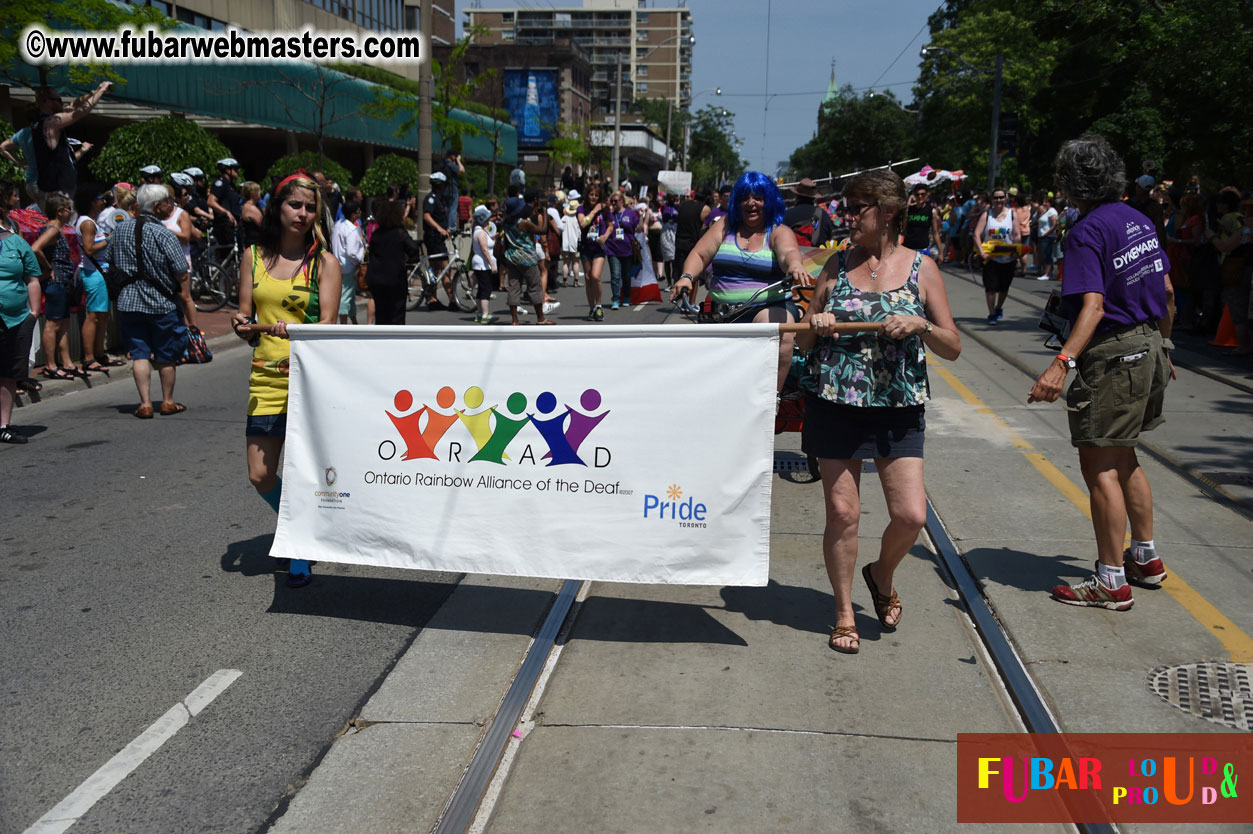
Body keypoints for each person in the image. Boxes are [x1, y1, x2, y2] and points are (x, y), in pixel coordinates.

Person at [795, 168, 962, 653]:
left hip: (897, 406)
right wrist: (817, 321)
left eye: (858, 207)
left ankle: (881, 573)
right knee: (843, 512)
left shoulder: (922, 269)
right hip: (836, 403)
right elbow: (803, 338)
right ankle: (844, 612)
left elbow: (952, 346)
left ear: (888, 212)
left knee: (910, 515)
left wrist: (921, 326)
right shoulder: (834, 265)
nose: (847, 216)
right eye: (847, 207)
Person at [1029, 135, 1174, 611]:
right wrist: (1165, 348)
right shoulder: (1140, 221)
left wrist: (1061, 363)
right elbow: (1168, 292)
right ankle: (1146, 558)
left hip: (1113, 354)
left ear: (1069, 184)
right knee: (1126, 455)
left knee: (1099, 467)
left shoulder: (1087, 231)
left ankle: (1111, 580)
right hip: (1150, 343)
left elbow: (1093, 307)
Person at [231, 172, 341, 588]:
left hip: (309, 381)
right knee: (260, 474)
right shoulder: (253, 257)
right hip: (266, 378)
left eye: (310, 207)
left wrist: (296, 332)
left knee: (301, 471)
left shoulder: (324, 262)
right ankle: (300, 529)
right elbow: (245, 315)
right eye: (295, 205)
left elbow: (328, 326)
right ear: (277, 207)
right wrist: (243, 325)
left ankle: (299, 546)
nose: (303, 213)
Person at [669, 171, 812, 392]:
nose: (751, 203)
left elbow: (789, 252)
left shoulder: (778, 231)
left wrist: (794, 265)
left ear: (769, 201)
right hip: (721, 312)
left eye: (758, 198)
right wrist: (687, 277)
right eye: (745, 197)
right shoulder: (725, 225)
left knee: (777, 329)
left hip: (765, 307)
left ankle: (770, 398)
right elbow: (699, 254)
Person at [108, 184, 199, 418]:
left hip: (129, 301)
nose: (171, 205)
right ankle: (167, 401)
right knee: (166, 355)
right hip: (161, 303)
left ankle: (145, 403)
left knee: (139, 353)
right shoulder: (163, 233)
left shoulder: (119, 230)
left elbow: (110, 261)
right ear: (157, 206)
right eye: (168, 201)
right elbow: (181, 270)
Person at [0, 180, 43, 443]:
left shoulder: (16, 241)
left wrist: (33, 314)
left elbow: (32, 278)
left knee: (8, 373)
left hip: (16, 318)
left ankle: (3, 425)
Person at [26, 83, 112, 202]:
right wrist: (101, 91)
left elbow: (74, 104)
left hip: (53, 186)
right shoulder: (50, 122)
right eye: (59, 100)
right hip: (58, 190)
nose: (62, 103)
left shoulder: (40, 122)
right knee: (64, 220)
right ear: (47, 102)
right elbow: (80, 112)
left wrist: (94, 91)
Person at [29, 193, 83, 380]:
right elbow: (35, 248)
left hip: (63, 283)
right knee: (53, 324)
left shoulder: (55, 229)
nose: (70, 212)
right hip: (56, 282)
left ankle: (67, 362)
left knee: (63, 324)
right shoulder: (52, 229)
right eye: (68, 208)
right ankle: (51, 365)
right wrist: (48, 267)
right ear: (60, 212)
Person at [73, 188, 122, 372]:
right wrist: (108, 240)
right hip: (94, 273)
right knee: (93, 316)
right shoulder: (87, 223)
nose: (104, 201)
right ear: (93, 201)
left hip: (100, 273)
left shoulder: (91, 222)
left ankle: (100, 354)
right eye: (101, 198)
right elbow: (89, 249)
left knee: (102, 316)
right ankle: (89, 357)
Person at [365, 198, 420, 326]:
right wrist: (408, 259)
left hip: (377, 279)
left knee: (382, 315)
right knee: (397, 316)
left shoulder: (376, 234)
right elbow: (414, 249)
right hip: (395, 280)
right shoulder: (400, 233)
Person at [499, 195, 554, 325]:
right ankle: (541, 318)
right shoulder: (523, 223)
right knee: (534, 287)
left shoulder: (506, 222)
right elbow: (543, 230)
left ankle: (515, 320)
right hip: (527, 258)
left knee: (514, 288)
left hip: (512, 257)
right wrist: (545, 212)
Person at [973, 188, 1019, 324]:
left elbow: (1016, 234)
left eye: (1001, 197)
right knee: (991, 288)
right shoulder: (987, 215)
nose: (998, 200)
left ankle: (999, 307)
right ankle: (992, 313)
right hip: (990, 259)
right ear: (992, 199)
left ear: (1005, 198)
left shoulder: (1012, 215)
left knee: (1004, 287)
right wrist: (982, 252)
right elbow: (976, 234)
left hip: (1008, 258)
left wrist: (1017, 249)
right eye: (996, 198)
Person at [421, 172, 456, 310]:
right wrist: (439, 228)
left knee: (437, 269)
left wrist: (446, 229)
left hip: (438, 238)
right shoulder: (431, 199)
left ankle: (433, 299)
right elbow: (427, 216)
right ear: (440, 185)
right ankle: (452, 301)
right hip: (433, 237)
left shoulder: (440, 199)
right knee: (444, 268)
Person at [600, 190, 638, 310]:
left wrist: (643, 217)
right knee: (615, 276)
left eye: (615, 201)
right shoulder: (609, 215)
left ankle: (626, 297)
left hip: (627, 249)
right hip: (613, 249)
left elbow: (638, 228)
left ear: (622, 200)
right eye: (612, 201)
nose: (613, 203)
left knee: (626, 276)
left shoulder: (630, 213)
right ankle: (616, 299)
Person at [672, 188, 709, 311]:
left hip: (680, 242)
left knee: (682, 274)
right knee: (693, 276)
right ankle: (691, 303)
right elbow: (705, 226)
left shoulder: (683, 205)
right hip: (693, 244)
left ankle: (684, 301)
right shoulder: (705, 209)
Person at [577, 186, 608, 321]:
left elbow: (611, 224)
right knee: (588, 279)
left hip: (598, 249)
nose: (593, 197)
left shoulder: (604, 209)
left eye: (596, 195)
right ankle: (592, 308)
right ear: (587, 195)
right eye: (591, 194)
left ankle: (599, 305)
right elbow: (583, 223)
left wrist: (605, 236)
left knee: (595, 276)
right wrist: (595, 211)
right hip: (585, 247)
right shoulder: (581, 209)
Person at [332, 201, 366, 324]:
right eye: (358, 211)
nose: (360, 213)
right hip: (348, 267)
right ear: (353, 215)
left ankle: (354, 322)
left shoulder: (337, 226)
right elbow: (352, 252)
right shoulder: (351, 229)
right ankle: (343, 325)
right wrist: (358, 261)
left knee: (350, 296)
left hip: (338, 265)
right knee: (345, 297)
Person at [784, 178, 837, 248]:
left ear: (796, 196)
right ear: (814, 197)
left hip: (794, 256)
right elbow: (829, 236)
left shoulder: (787, 215)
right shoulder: (822, 215)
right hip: (818, 256)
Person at [469, 204, 498, 324]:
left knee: (481, 289)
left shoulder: (478, 231)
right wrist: (492, 265)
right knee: (486, 289)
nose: (489, 220)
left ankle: (479, 313)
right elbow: (485, 250)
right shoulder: (480, 233)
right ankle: (485, 314)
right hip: (483, 264)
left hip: (479, 263)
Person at [207, 158, 242, 252]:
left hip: (234, 225)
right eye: (235, 169)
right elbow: (211, 201)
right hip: (224, 226)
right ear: (227, 170)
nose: (238, 172)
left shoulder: (231, 185)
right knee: (227, 256)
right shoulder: (221, 183)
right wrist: (226, 212)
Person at [438, 150, 465, 233]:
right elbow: (462, 170)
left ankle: (444, 225)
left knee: (444, 209)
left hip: (444, 190)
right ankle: (451, 228)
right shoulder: (451, 164)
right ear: (452, 156)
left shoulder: (443, 164)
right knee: (453, 209)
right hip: (452, 190)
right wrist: (458, 161)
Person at [1035, 195, 1059, 280]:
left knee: (1047, 255)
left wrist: (1047, 233)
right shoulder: (1045, 211)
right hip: (1041, 235)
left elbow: (1054, 225)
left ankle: (1047, 273)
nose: (1044, 203)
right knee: (1043, 254)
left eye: (1046, 202)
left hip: (1048, 236)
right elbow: (1038, 220)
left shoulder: (1052, 212)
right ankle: (1047, 271)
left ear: (1050, 203)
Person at [560, 197, 582, 288]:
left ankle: (564, 281)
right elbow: (579, 232)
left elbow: (560, 228)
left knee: (566, 262)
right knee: (575, 263)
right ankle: (576, 281)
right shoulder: (576, 219)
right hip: (575, 243)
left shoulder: (564, 218)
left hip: (565, 243)